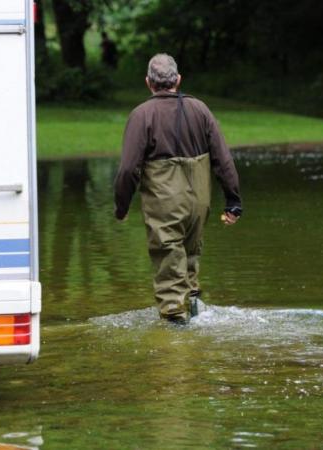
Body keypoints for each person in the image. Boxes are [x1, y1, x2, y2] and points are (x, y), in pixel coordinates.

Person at [113, 53, 242, 324]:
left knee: (169, 261)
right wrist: (233, 202)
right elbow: (223, 159)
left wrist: (122, 206)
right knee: (191, 255)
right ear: (178, 80)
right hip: (199, 202)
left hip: (165, 202)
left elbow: (128, 169)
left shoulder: (141, 115)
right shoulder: (200, 109)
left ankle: (176, 334)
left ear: (148, 82)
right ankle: (194, 310)